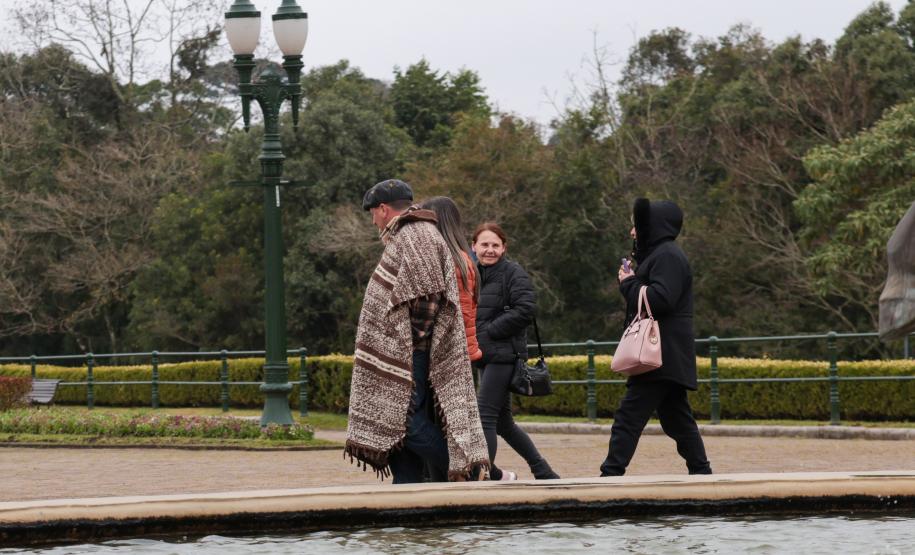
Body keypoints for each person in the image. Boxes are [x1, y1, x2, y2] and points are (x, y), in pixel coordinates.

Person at [344, 179, 489, 483]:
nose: (372, 220)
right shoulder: (410, 234)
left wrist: (404, 342)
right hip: (408, 353)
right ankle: (406, 491)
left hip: (411, 354)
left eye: (372, 213)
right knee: (399, 432)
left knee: (403, 422)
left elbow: (427, 298)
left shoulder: (415, 234)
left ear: (383, 209)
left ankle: (467, 469)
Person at [600, 198, 712, 477]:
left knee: (628, 417)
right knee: (677, 420)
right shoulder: (662, 255)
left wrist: (628, 283)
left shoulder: (667, 256)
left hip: (660, 353)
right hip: (665, 353)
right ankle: (702, 473)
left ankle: (610, 475)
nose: (632, 232)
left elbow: (661, 299)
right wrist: (633, 281)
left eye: (637, 226)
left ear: (653, 227)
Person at [473, 222, 560, 480]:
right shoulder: (473, 275)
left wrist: (489, 331)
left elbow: (526, 309)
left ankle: (483, 475)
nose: (490, 250)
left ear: (504, 248)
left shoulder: (513, 272)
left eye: (495, 245)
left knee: (485, 416)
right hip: (485, 355)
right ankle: (543, 471)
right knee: (503, 423)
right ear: (474, 246)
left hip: (505, 354)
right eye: (484, 244)